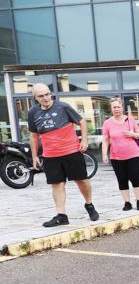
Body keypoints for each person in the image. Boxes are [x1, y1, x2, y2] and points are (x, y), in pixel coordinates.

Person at [28, 83, 99, 227]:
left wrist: (84, 140)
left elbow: (82, 122)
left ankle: (89, 205)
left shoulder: (63, 107)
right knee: (57, 184)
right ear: (35, 98)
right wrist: (35, 156)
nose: (46, 98)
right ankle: (62, 215)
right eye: (41, 96)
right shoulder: (32, 112)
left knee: (82, 181)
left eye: (47, 94)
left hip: (71, 152)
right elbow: (33, 135)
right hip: (50, 155)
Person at [102, 97, 139, 211]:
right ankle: (127, 203)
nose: (116, 109)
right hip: (116, 156)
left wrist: (132, 134)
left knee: (135, 177)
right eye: (114, 107)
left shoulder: (130, 120)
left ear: (122, 107)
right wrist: (104, 155)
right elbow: (105, 140)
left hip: (134, 154)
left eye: (118, 107)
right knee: (122, 179)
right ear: (111, 109)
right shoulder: (107, 123)